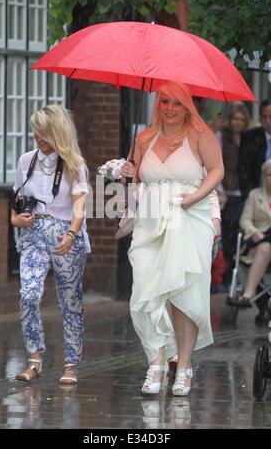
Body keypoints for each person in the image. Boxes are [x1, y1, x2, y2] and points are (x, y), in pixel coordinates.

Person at [121, 81, 224, 396]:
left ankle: (185, 365)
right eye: (164, 101)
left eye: (176, 103)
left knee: (184, 294)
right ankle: (156, 361)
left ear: (187, 106)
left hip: (189, 219)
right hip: (150, 222)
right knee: (145, 291)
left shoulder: (200, 135)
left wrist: (197, 196)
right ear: (157, 103)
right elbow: (136, 180)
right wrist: (127, 173)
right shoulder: (144, 138)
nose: (169, 108)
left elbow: (217, 170)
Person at [11, 105, 90, 386]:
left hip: (65, 232)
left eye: (44, 134)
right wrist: (17, 220)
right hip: (33, 232)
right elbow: (16, 204)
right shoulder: (26, 161)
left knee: (70, 300)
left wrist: (71, 235)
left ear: (57, 133)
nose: (38, 138)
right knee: (29, 294)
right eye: (36, 132)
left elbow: (81, 205)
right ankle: (34, 358)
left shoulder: (74, 164)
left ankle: (71, 363)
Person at [237, 99, 271, 323]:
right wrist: (255, 193)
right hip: (260, 233)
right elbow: (243, 169)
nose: (269, 121)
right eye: (265, 116)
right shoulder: (252, 137)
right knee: (265, 247)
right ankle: (257, 301)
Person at [227, 160, 271, 311]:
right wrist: (254, 232)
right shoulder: (254, 195)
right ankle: (248, 294)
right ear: (264, 177)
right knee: (266, 247)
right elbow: (244, 220)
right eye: (270, 174)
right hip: (258, 243)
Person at [217, 106, 250, 281]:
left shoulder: (247, 139)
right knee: (223, 234)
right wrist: (220, 190)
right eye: (234, 119)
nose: (237, 122)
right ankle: (221, 275)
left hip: (240, 192)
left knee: (236, 234)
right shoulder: (221, 137)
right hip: (223, 192)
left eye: (241, 119)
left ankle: (231, 273)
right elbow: (216, 164)